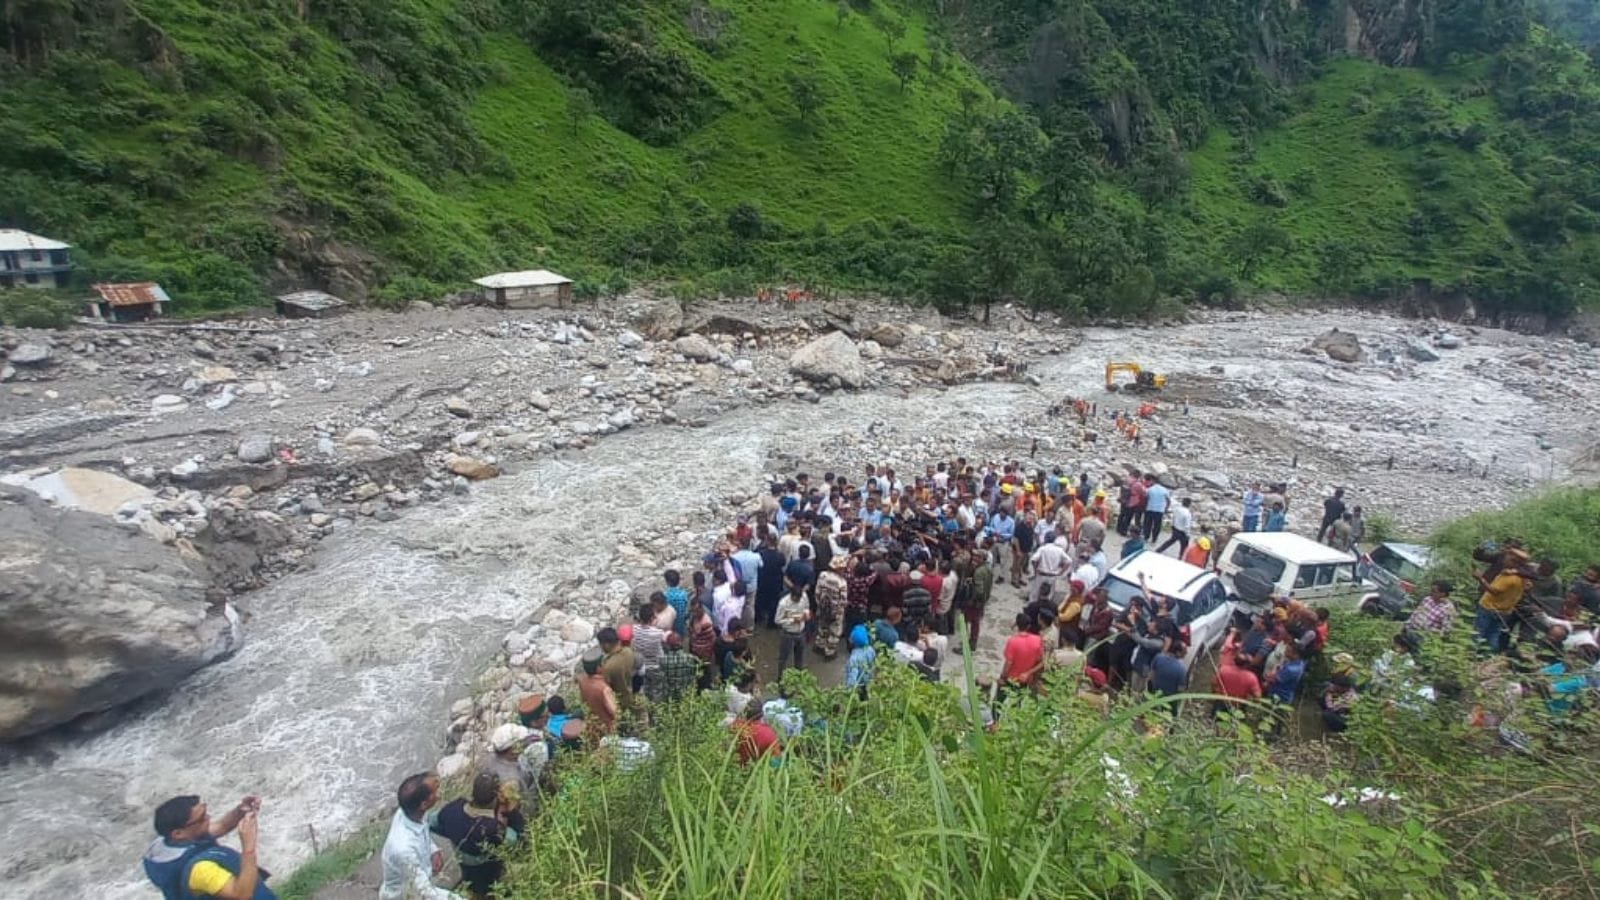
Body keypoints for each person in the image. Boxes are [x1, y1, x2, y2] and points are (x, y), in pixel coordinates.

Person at [143, 794, 275, 900]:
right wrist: (249, 845)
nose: (208, 818)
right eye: (202, 818)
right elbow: (242, 895)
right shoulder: (201, 870)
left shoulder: (172, 841)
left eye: (205, 812)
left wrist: (240, 811)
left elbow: (221, 826)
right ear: (178, 833)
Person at [431, 773, 525, 900]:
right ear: (496, 797)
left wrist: (452, 832)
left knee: (474, 886)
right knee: (488, 889)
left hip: (464, 862)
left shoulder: (452, 809)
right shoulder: (492, 828)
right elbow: (517, 839)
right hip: (487, 869)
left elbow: (432, 823)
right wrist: (511, 811)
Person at [380, 773, 459, 900]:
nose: (439, 795)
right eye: (435, 792)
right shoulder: (403, 848)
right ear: (423, 804)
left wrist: (433, 850)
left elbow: (423, 829)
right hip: (406, 894)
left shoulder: (411, 812)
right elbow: (424, 890)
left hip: (417, 878)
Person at [1475, 551, 1530, 653]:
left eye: (1507, 559)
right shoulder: (1523, 578)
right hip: (1504, 612)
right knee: (1493, 635)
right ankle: (1489, 658)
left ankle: (1472, 656)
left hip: (1488, 608)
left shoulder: (1509, 578)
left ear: (1514, 562)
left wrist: (1480, 579)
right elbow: (1528, 587)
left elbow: (1494, 591)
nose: (1504, 561)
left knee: (1478, 633)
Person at [1000, 612, 1046, 694]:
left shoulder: (1012, 641)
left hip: (1011, 678)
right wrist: (1028, 673)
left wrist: (1003, 676)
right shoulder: (1038, 640)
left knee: (1000, 699)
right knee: (1018, 702)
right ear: (1028, 626)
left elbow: (1008, 663)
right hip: (1025, 679)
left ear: (1017, 625)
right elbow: (1042, 662)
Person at [648, 632, 700, 703]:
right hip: (686, 697)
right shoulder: (690, 659)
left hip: (669, 698)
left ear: (668, 645)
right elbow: (695, 676)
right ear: (681, 643)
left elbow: (660, 680)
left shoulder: (663, 660)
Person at [815, 555, 850, 658]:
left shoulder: (823, 575)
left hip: (822, 607)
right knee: (834, 631)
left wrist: (819, 604)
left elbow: (817, 592)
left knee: (822, 626)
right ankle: (829, 651)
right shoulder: (842, 582)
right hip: (836, 611)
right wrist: (841, 610)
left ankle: (819, 645)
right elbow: (843, 600)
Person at [577, 648, 618, 735]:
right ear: (598, 668)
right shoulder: (604, 688)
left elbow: (583, 701)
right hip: (607, 727)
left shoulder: (582, 681)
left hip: (592, 724)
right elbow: (614, 711)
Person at [597, 627, 637, 713]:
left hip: (619, 700)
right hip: (631, 691)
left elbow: (606, 688)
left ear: (606, 644)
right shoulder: (628, 651)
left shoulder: (608, 667)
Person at [775, 584, 811, 676]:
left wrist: (806, 614)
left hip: (801, 632)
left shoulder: (804, 597)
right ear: (792, 596)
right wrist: (792, 620)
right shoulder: (783, 604)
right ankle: (781, 678)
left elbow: (807, 607)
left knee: (799, 658)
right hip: (788, 633)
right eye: (796, 599)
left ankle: (798, 677)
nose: (798, 601)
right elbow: (778, 620)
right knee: (784, 658)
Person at [733, 699, 782, 765]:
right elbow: (776, 763)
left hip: (734, 768)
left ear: (745, 713)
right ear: (762, 714)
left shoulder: (735, 726)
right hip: (756, 770)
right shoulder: (769, 733)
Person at [845, 623, 877, 693]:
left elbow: (852, 679)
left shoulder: (853, 659)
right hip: (868, 682)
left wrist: (848, 692)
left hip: (859, 685)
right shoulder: (871, 650)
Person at [1142, 475, 1170, 543]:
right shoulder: (1165, 490)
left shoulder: (1150, 489)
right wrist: (1166, 508)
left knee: (1148, 524)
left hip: (1150, 509)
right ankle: (1154, 539)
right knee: (1157, 526)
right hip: (1159, 510)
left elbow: (1146, 498)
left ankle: (1146, 537)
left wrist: (1144, 507)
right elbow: (1168, 500)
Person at [662, 569, 690, 636]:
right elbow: (687, 610)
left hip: (670, 625)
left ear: (667, 582)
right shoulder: (684, 594)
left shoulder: (665, 595)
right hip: (681, 625)